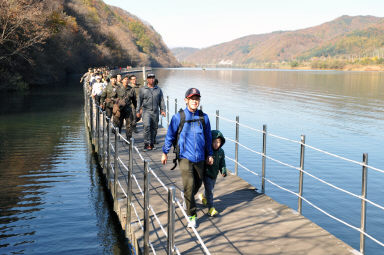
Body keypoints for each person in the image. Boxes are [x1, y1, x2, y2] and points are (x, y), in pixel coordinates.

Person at [161, 88, 213, 228]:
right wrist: (165, 152)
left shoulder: (204, 117)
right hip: (185, 156)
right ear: (186, 100)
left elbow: (208, 138)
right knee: (189, 185)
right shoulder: (179, 117)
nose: (195, 101)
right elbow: (170, 135)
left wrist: (210, 154)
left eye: (197, 99)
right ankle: (192, 216)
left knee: (198, 183)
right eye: (192, 99)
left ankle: (187, 198)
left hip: (200, 157)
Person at [199, 130, 227, 217]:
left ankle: (203, 196)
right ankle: (211, 208)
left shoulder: (221, 152)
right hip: (206, 173)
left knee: (210, 188)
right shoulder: (207, 151)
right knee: (210, 191)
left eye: (218, 142)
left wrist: (223, 170)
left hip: (214, 174)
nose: (216, 144)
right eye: (214, 142)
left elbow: (222, 163)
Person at [136, 73, 166, 151]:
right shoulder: (143, 89)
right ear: (147, 79)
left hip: (155, 112)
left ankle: (151, 144)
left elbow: (161, 101)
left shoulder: (158, 89)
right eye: (150, 78)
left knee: (154, 128)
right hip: (146, 111)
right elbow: (139, 101)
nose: (151, 79)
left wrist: (163, 110)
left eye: (153, 78)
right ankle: (146, 144)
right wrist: (138, 111)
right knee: (147, 126)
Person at [113, 75, 137, 140]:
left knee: (129, 125)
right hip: (120, 109)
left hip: (128, 109)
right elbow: (113, 98)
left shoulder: (131, 89)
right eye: (125, 79)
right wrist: (118, 101)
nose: (126, 81)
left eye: (127, 79)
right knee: (119, 124)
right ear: (122, 80)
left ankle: (129, 139)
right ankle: (117, 137)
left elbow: (134, 100)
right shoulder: (117, 88)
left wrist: (135, 108)